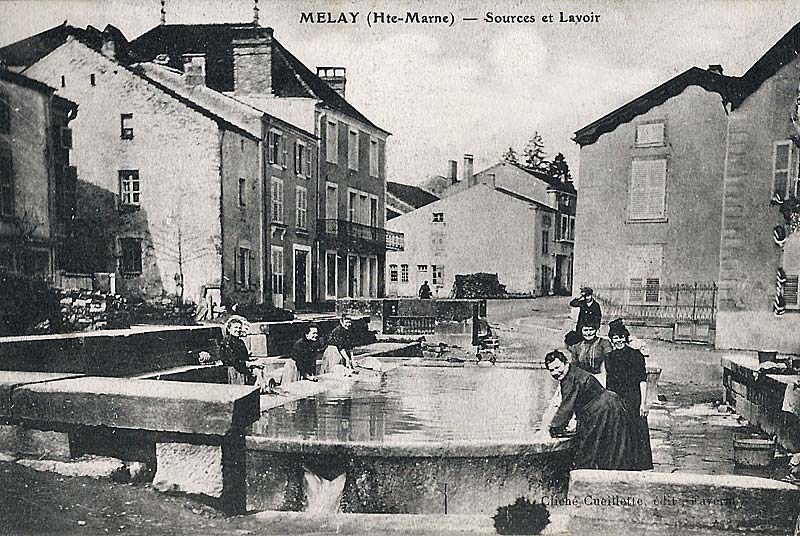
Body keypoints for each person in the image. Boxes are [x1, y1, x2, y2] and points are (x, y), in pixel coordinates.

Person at [545, 350, 632, 470]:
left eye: (557, 367)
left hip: (604, 410)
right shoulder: (572, 373)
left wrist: (555, 427)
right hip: (610, 405)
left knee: (594, 446)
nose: (555, 372)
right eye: (551, 370)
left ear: (565, 363)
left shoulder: (571, 378)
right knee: (610, 445)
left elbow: (566, 407)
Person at [605, 321, 654, 470]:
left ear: (625, 338)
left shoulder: (636, 355)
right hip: (617, 398)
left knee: (636, 430)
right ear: (611, 339)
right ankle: (622, 464)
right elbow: (609, 382)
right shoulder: (610, 357)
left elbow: (642, 380)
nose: (618, 340)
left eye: (621, 337)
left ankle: (638, 465)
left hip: (633, 397)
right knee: (619, 431)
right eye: (615, 337)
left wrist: (643, 403)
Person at [568, 318, 612, 386]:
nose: (588, 333)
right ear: (581, 331)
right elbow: (574, 365)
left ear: (597, 330)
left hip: (600, 378)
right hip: (582, 379)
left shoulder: (604, 343)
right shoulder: (576, 347)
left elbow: (609, 358)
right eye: (585, 330)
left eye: (591, 330)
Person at [219, 315, 262, 385]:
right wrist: (250, 364)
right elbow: (234, 360)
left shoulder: (240, 341)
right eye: (235, 327)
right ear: (229, 329)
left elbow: (244, 357)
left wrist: (252, 360)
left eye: (239, 328)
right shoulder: (227, 342)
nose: (238, 330)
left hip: (242, 370)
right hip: (233, 372)